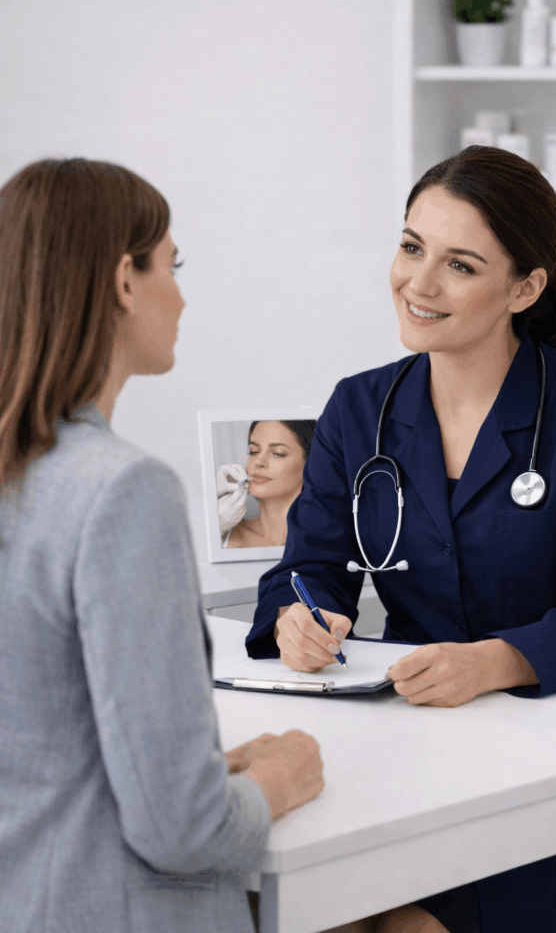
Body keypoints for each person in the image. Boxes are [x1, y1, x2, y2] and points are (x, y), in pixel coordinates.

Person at [246, 146, 556, 933]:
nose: (418, 283)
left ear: (525, 287)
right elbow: (308, 568)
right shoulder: (359, 406)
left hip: (555, 772)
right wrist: (299, 619)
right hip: (407, 750)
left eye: (460, 265)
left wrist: (494, 661)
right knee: (283, 899)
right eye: (411, 247)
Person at [0, 158, 323, 933]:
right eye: (171, 266)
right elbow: (183, 832)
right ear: (124, 279)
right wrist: (277, 780)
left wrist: (202, 774)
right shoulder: (122, 492)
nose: (180, 294)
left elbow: (39, 741)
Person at [218, 419, 316, 547]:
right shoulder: (222, 534)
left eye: (277, 453)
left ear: (310, 466)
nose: (258, 461)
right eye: (253, 451)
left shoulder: (327, 541)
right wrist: (214, 526)